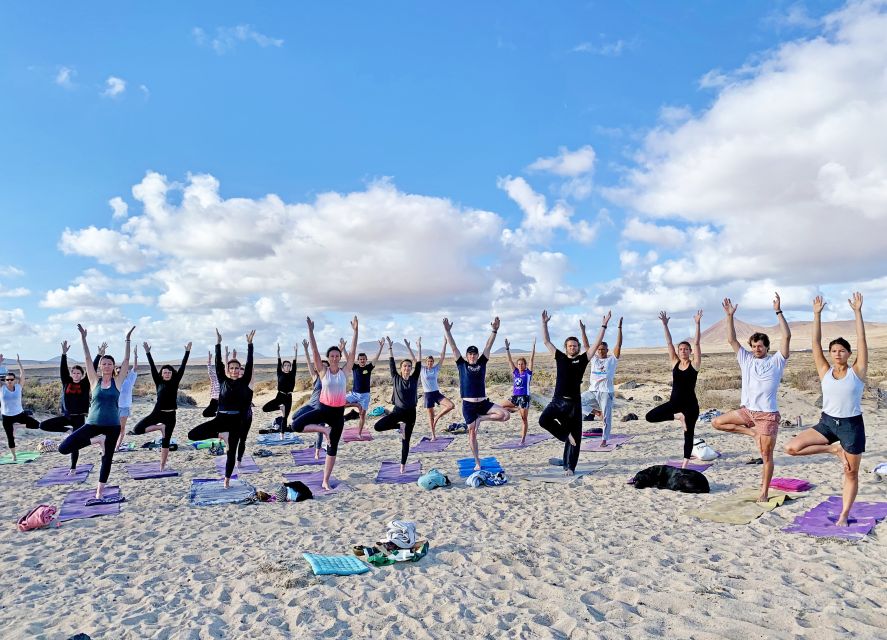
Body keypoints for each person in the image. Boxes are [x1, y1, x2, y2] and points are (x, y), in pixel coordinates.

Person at [784, 293, 867, 526]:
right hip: (827, 423)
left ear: (848, 354)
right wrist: (817, 314)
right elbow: (814, 344)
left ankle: (844, 514)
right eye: (833, 351)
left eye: (841, 350)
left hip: (851, 426)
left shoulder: (857, 372)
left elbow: (862, 341)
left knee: (850, 473)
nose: (837, 353)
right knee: (791, 448)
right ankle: (833, 451)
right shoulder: (824, 371)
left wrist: (857, 312)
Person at [712, 293, 791, 502]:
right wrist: (729, 316)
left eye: (760, 346)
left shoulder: (776, 361)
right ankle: (753, 433)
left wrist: (778, 311)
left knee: (766, 456)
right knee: (717, 422)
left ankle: (763, 493)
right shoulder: (745, 359)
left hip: (767, 415)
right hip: (747, 411)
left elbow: (787, 337)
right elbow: (731, 339)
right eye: (754, 345)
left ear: (766, 348)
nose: (756, 349)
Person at [58, 324, 135, 499]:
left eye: (109, 363)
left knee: (107, 459)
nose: (106, 366)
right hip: (92, 424)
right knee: (64, 448)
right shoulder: (94, 381)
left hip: (113, 426)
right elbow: (86, 358)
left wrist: (128, 338)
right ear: (100, 366)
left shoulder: (118, 381)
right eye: (104, 363)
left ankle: (99, 492)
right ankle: (97, 440)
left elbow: (127, 359)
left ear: (113, 366)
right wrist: (84, 338)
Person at [290, 316, 359, 490]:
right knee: (296, 425)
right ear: (328, 358)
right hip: (323, 409)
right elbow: (314, 352)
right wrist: (311, 332)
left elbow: (353, 352)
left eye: (337, 356)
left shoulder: (345, 372)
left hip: (337, 414)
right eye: (332, 356)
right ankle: (323, 429)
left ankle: (325, 480)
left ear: (339, 358)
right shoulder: (322, 371)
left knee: (332, 447)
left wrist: (355, 332)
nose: (335, 358)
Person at [539, 310, 609, 474]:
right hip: (557, 401)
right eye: (570, 346)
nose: (573, 347)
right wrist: (544, 323)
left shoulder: (583, 359)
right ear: (566, 347)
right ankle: (565, 435)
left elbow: (596, 343)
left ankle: (569, 467)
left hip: (574, 404)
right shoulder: (560, 357)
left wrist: (603, 325)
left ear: (578, 348)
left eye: (575, 346)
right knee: (544, 420)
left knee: (576, 438)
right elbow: (546, 341)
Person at [187, 329, 255, 488]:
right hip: (221, 419)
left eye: (237, 368)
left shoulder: (244, 382)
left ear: (240, 370)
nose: (234, 370)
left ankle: (227, 480)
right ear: (228, 370)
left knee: (231, 453)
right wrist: (218, 343)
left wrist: (250, 345)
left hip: (236, 422)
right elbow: (218, 363)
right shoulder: (223, 380)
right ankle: (221, 434)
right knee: (192, 435)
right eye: (231, 368)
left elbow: (250, 364)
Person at [443, 316, 510, 471]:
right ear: (467, 356)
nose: (472, 356)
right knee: (472, 433)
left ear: (477, 355)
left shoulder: (482, 363)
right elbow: (453, 348)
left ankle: (482, 418)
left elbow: (488, 345)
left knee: (505, 415)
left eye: (474, 354)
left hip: (483, 403)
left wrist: (494, 330)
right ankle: (477, 462)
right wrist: (447, 331)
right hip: (468, 405)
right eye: (470, 354)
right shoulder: (461, 365)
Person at [644, 310, 703, 469]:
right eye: (681, 349)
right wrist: (665, 325)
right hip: (674, 405)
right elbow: (669, 344)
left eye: (686, 349)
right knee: (650, 416)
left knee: (688, 434)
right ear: (678, 352)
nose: (683, 351)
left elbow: (697, 343)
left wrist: (697, 324)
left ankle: (685, 463)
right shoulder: (675, 363)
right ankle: (678, 417)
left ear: (690, 352)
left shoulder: (695, 365)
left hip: (690, 406)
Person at [131, 341, 191, 471]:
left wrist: (187, 352)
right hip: (157, 412)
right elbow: (152, 366)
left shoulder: (175, 381)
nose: (167, 374)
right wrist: (148, 352)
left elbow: (183, 366)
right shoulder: (158, 381)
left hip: (171, 415)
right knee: (137, 429)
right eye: (164, 372)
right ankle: (160, 427)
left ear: (171, 373)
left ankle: (162, 466)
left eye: (169, 372)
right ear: (161, 374)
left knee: (166, 442)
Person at [39, 341, 93, 472]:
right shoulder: (66, 382)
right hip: (67, 416)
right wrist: (63, 354)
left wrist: (98, 355)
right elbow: (63, 369)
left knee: (74, 444)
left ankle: (73, 468)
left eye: (78, 373)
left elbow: (93, 367)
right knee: (43, 425)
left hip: (79, 419)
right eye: (74, 373)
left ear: (82, 374)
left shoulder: (85, 384)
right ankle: (66, 431)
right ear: (71, 374)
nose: (76, 375)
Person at [373, 337, 421, 473]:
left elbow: (419, 362)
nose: (407, 368)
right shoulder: (395, 378)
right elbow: (391, 363)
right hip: (398, 412)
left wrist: (419, 348)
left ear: (411, 369)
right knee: (378, 426)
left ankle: (402, 466)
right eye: (404, 366)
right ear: (401, 369)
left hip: (411, 414)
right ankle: (399, 426)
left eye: (409, 366)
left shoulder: (414, 378)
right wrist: (390, 347)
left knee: (406, 441)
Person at [583, 316, 623, 447]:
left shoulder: (611, 360)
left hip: (606, 392)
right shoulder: (594, 359)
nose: (600, 351)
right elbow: (587, 346)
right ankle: (596, 412)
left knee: (607, 417)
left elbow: (618, 345)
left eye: (603, 349)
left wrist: (619, 328)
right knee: (576, 401)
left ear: (607, 350)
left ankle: (604, 439)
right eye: (598, 349)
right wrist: (583, 331)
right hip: (593, 391)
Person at [1, 354, 41, 461]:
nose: (9, 381)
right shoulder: (2, 389)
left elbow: (23, 374)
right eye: (7, 380)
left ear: (14, 380)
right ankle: (14, 456)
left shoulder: (18, 387)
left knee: (38, 425)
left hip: (19, 414)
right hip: (6, 417)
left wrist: (19, 363)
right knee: (10, 437)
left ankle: (18, 426)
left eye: (11, 379)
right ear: (5, 381)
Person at [344, 339, 384, 437]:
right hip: (354, 394)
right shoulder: (355, 367)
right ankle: (356, 404)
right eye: (360, 359)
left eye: (364, 359)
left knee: (362, 415)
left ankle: (359, 433)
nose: (362, 360)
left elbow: (376, 358)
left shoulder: (369, 367)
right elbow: (348, 359)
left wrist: (381, 347)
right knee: (341, 403)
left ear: (366, 360)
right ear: (358, 360)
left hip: (365, 395)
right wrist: (344, 348)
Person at [501, 338, 537, 444]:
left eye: (522, 364)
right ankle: (517, 409)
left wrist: (533, 347)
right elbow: (509, 360)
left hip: (524, 397)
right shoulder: (515, 372)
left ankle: (523, 439)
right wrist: (507, 348)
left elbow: (531, 359)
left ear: (525, 365)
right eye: (519, 364)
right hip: (515, 397)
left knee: (523, 419)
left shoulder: (528, 373)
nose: (520, 366)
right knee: (501, 406)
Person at [418, 337, 454, 441]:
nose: (430, 363)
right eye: (428, 361)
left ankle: (438, 416)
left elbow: (442, 357)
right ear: (426, 362)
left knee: (451, 405)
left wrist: (445, 343)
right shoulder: (422, 369)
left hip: (437, 394)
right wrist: (419, 346)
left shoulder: (436, 369)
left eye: (431, 361)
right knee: (430, 417)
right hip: (428, 395)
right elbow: (417, 359)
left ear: (433, 362)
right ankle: (433, 435)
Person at [262, 344, 298, 426]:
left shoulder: (292, 374)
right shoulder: (280, 373)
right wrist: (278, 352)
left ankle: (281, 427)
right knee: (265, 408)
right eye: (285, 365)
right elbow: (278, 362)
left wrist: (295, 352)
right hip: (280, 396)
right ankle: (280, 408)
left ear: (290, 367)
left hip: (288, 397)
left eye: (289, 365)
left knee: (285, 417)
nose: (287, 367)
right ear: (282, 367)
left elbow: (295, 362)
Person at [114, 345, 139, 450]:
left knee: (121, 428)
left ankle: (118, 446)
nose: (121, 373)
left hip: (124, 407)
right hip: (114, 407)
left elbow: (135, 367)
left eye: (123, 371)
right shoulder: (114, 380)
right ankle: (110, 444)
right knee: (112, 427)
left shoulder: (130, 380)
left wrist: (135, 356)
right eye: (119, 372)